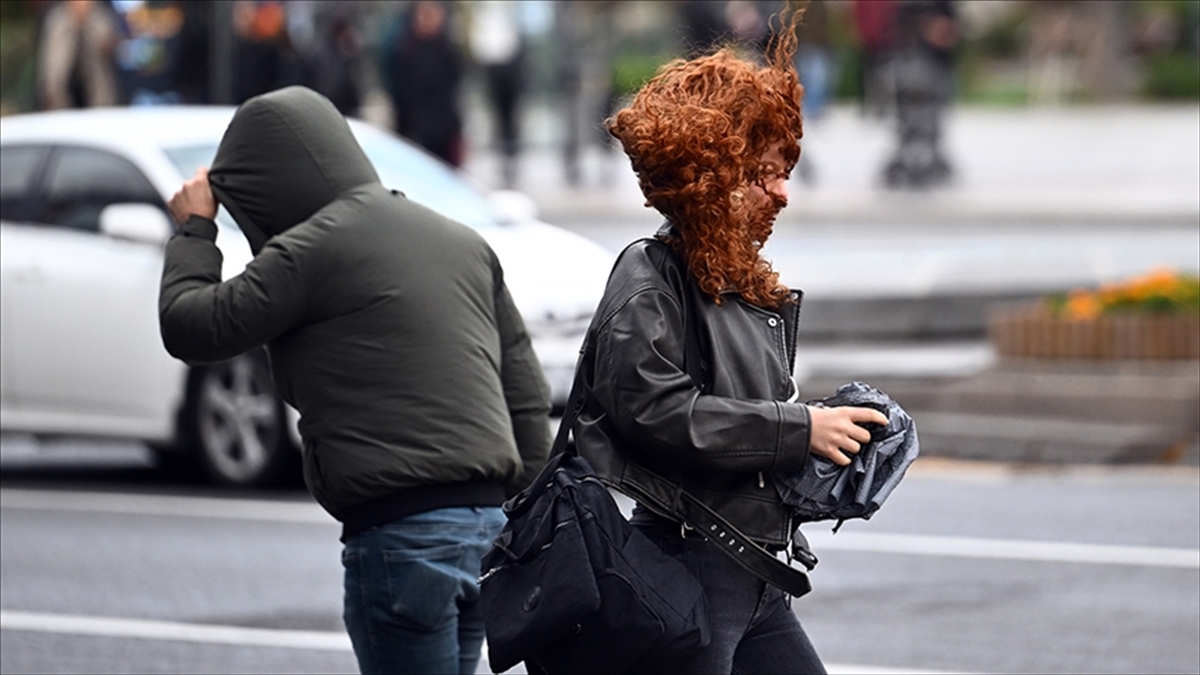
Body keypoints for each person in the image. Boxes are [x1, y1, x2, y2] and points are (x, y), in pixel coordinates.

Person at [157, 85, 551, 675]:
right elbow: (524, 393)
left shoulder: (310, 250)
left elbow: (191, 327)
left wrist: (195, 229)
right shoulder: (460, 240)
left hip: (401, 536)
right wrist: (521, 525)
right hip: (485, 531)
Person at [571, 9, 889, 674]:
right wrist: (799, 429)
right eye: (762, 174)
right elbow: (657, 412)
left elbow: (741, 430)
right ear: (710, 173)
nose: (781, 192)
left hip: (756, 575)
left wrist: (832, 442)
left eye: (785, 172)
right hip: (689, 566)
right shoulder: (650, 275)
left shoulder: (738, 279)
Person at [388, 0, 465, 166]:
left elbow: (452, 92)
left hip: (443, 132)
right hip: (415, 131)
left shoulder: (448, 51)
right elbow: (400, 94)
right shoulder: (404, 51)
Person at [37, 0, 123, 110]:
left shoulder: (100, 18)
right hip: (62, 100)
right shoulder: (56, 22)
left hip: (98, 101)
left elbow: (109, 47)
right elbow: (50, 64)